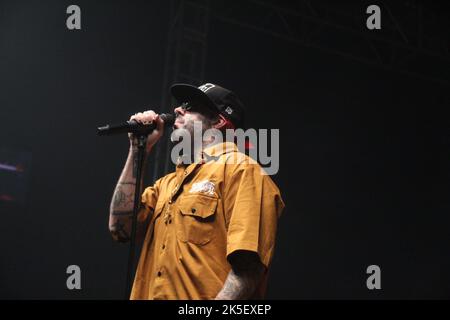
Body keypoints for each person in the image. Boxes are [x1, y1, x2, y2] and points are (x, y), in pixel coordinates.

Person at [109, 83, 285, 300]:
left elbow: (247, 270)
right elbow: (120, 228)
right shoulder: (168, 183)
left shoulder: (243, 171)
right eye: (180, 105)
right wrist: (138, 150)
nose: (177, 110)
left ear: (219, 121)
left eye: (190, 106)